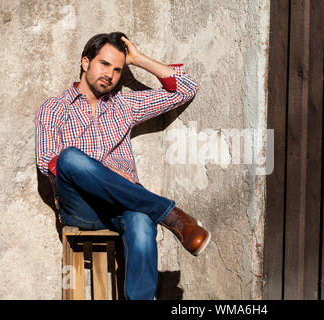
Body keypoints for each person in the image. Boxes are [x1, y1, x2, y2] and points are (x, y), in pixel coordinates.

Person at [35, 32, 211, 300]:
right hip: (81, 207)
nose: (111, 74)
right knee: (69, 158)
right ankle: (169, 214)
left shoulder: (124, 106)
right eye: (104, 64)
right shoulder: (55, 108)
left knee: (141, 221)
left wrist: (138, 59)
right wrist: (103, 172)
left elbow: (187, 88)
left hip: (124, 205)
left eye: (118, 69)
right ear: (85, 62)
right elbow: (48, 164)